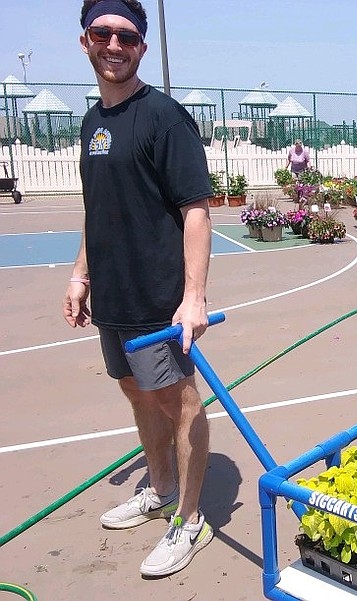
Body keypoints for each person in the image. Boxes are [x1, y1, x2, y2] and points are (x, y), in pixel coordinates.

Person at [64, 0, 213, 577]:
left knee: (177, 401)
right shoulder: (91, 123)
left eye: (126, 36)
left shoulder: (164, 119)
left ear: (142, 47)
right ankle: (161, 488)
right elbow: (94, 209)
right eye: (102, 33)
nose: (114, 45)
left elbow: (196, 211)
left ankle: (191, 519)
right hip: (113, 296)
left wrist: (193, 295)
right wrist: (81, 273)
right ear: (86, 42)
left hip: (157, 295)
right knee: (135, 393)